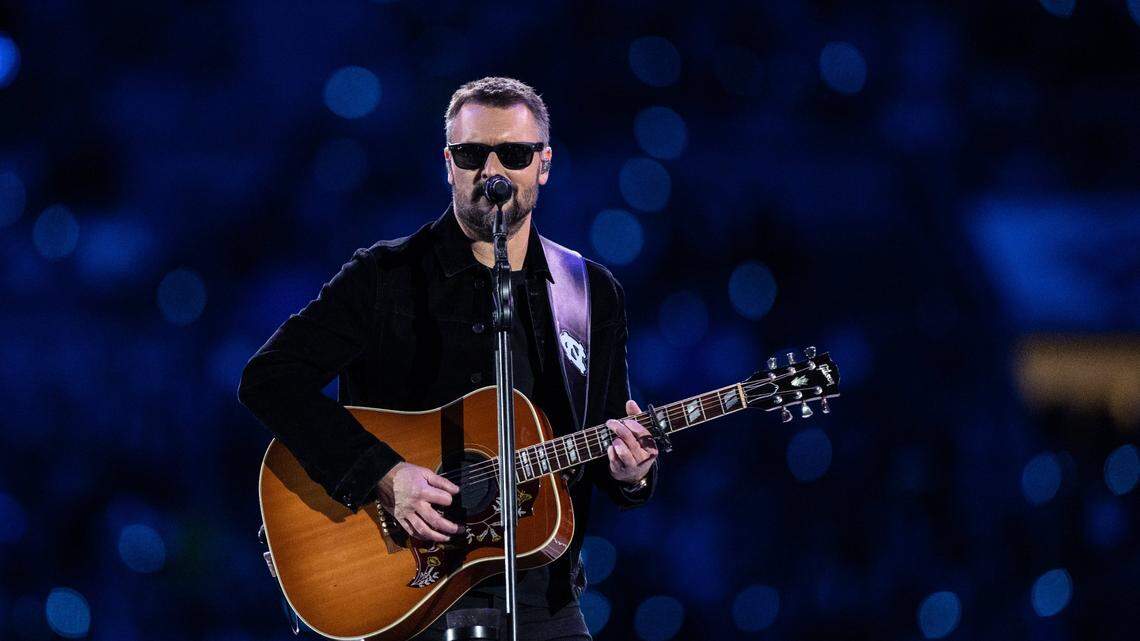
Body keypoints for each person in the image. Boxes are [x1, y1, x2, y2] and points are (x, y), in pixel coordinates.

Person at [237, 76, 659, 641]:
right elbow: (268, 378)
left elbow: (604, 441)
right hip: (402, 598)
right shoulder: (383, 277)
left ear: (544, 164)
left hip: (541, 603)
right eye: (470, 154)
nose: (491, 172)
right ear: (448, 162)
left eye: (512, 153)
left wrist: (631, 472)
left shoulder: (589, 294)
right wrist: (381, 473)